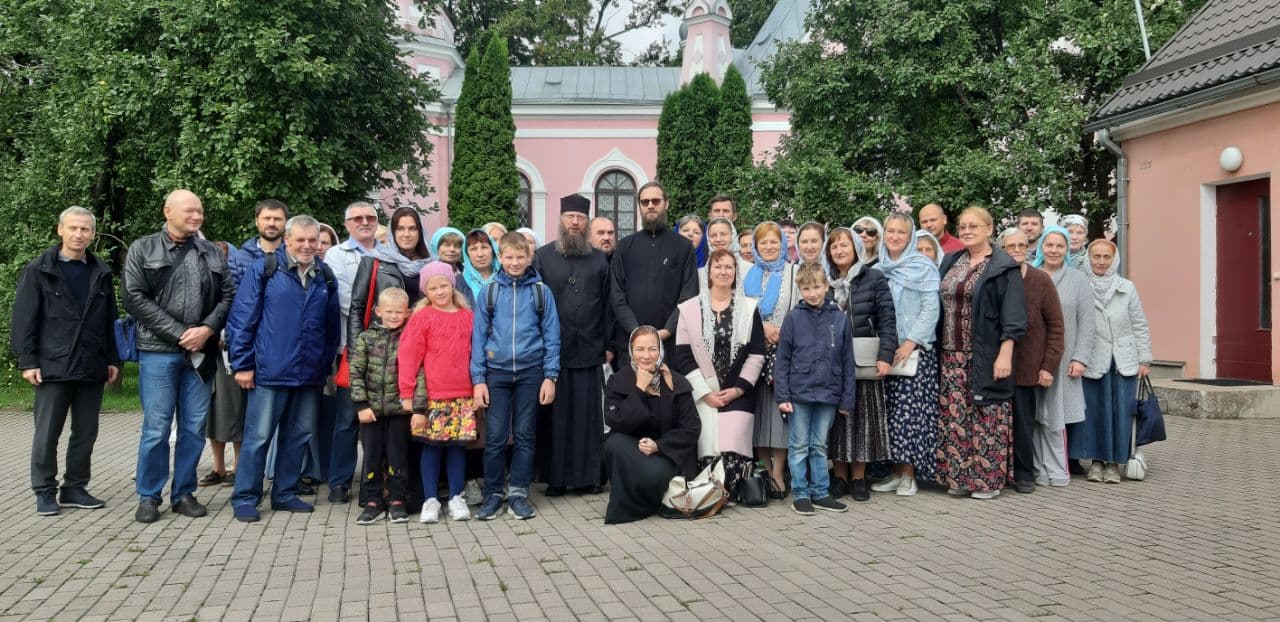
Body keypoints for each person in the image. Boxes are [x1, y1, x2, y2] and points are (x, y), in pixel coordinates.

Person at [124, 189, 235, 523]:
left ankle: (184, 493)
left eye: (200, 211)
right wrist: (178, 333)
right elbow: (133, 297)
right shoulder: (143, 248)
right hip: (158, 351)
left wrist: (206, 329)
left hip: (201, 353)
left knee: (193, 427)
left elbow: (229, 295)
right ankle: (148, 496)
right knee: (157, 428)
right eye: (190, 210)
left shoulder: (213, 252)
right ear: (168, 211)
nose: (197, 216)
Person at [227, 215, 341, 522]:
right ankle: (246, 497)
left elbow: (331, 329)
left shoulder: (324, 275)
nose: (306, 245)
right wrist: (242, 364)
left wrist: (323, 363)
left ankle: (285, 493)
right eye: (300, 240)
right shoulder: (264, 269)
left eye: (312, 240)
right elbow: (242, 318)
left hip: (309, 374)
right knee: (259, 437)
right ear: (287, 240)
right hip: (269, 371)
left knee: (299, 435)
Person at [12, 206, 120, 516]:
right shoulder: (39, 269)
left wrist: (112, 358)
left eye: (85, 230)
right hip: (52, 365)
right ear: (60, 230)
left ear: (93, 234)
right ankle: (44, 490)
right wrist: (28, 360)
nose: (78, 234)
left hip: (91, 364)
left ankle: (75, 487)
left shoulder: (100, 271)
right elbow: (24, 319)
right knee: (47, 432)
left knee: (86, 431)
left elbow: (107, 319)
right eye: (73, 228)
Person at [936, 206, 1027, 499]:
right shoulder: (952, 260)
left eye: (974, 226)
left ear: (990, 229)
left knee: (986, 415)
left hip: (985, 353)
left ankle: (987, 481)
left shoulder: (1003, 265)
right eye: (962, 226)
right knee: (956, 417)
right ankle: (960, 478)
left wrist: (1005, 352)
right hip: (951, 355)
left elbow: (1013, 315)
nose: (967, 231)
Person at [343, 207, 431, 507]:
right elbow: (357, 307)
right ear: (392, 233)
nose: (407, 234)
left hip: (418, 355)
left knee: (412, 429)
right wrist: (357, 352)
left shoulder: (429, 265)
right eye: (400, 228)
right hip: (381, 353)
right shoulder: (376, 261)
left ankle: (409, 493)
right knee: (382, 435)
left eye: (412, 228)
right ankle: (377, 494)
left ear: (420, 232)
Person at [471, 232, 560, 520]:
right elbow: (478, 339)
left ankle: (519, 492)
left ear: (529, 257)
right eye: (508, 257)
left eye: (520, 257)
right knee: (495, 436)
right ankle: (494, 493)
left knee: (524, 435)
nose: (514, 262)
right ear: (500, 258)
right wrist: (478, 380)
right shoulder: (489, 291)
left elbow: (552, 335)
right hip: (496, 373)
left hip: (530, 372)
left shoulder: (540, 292)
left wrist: (550, 376)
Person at [533, 194, 613, 496]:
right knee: (557, 418)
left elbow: (608, 304)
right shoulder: (542, 257)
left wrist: (608, 343)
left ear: (587, 221)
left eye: (580, 218)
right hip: (556, 351)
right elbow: (536, 304)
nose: (575, 222)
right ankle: (557, 479)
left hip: (591, 348)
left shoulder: (598, 259)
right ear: (562, 220)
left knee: (589, 418)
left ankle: (590, 478)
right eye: (570, 217)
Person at [672, 249, 766, 498]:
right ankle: (708, 492)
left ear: (736, 273)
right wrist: (705, 392)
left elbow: (757, 353)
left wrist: (737, 389)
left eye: (729, 267)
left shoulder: (748, 307)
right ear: (709, 272)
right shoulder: (690, 308)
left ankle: (732, 491)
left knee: (733, 439)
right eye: (718, 266)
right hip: (702, 390)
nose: (723, 271)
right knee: (707, 442)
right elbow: (682, 354)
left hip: (738, 390)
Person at [775, 263, 855, 515]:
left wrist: (847, 400)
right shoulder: (793, 318)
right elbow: (783, 360)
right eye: (806, 288)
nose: (812, 293)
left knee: (819, 445)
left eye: (817, 287)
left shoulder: (839, 319)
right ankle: (800, 493)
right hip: (799, 393)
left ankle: (821, 492)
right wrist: (783, 396)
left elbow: (848, 361)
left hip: (829, 393)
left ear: (826, 286)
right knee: (799, 445)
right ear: (800, 288)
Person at [1070, 239, 1151, 484]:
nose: (1101, 261)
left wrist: (1144, 358)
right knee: (1094, 412)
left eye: (1106, 257)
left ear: (1114, 259)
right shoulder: (1081, 286)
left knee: (1121, 412)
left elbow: (1139, 325)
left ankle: (1115, 463)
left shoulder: (1127, 287)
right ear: (1088, 258)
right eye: (1096, 256)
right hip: (1092, 358)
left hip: (1123, 360)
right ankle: (1096, 461)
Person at [400, 263, 476, 523]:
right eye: (433, 288)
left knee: (456, 447)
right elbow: (409, 357)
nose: (440, 291)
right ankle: (430, 499)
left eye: (443, 285)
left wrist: (478, 385)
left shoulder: (468, 317)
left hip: (463, 394)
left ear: (452, 285)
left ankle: (456, 497)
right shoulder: (422, 318)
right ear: (425, 291)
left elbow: (476, 355)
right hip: (432, 395)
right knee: (431, 447)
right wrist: (407, 394)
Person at [824, 227, 896, 501]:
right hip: (832, 362)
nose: (839, 251)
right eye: (834, 247)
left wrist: (885, 355)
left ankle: (859, 478)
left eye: (844, 245)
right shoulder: (825, 280)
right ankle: (839, 477)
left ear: (856, 247)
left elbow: (887, 319)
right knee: (837, 423)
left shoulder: (874, 277)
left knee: (864, 421)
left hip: (864, 359)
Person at [602, 327, 701, 524]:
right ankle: (633, 505)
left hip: (667, 454)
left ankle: (651, 498)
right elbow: (616, 421)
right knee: (613, 443)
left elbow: (691, 429)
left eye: (652, 349)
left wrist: (659, 445)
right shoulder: (618, 380)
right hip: (633, 451)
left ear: (660, 351)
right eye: (640, 349)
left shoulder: (676, 382)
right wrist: (639, 388)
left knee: (654, 475)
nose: (646, 356)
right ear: (631, 350)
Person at [872, 214, 940, 497]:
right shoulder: (878, 268)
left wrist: (911, 342)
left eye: (902, 232)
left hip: (913, 352)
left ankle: (910, 474)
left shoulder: (922, 266)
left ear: (911, 236)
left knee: (910, 415)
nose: (895, 236)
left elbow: (930, 308)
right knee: (889, 414)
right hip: (885, 351)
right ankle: (896, 471)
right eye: (890, 231)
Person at [347, 286, 424, 525]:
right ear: (378, 311)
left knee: (398, 456)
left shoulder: (410, 338)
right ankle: (372, 500)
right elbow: (356, 372)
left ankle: (397, 499)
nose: (393, 316)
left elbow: (420, 373)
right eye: (388, 311)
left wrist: (418, 408)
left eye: (398, 312)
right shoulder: (365, 338)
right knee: (371, 456)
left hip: (400, 411)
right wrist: (361, 405)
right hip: (371, 412)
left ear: (408, 313)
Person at [322, 201, 383, 504]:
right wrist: (384, 316)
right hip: (351, 348)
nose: (364, 222)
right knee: (347, 418)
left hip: (386, 351)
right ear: (346, 224)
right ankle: (340, 481)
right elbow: (345, 299)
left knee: (382, 416)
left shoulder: (386, 253)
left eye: (370, 217)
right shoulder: (335, 255)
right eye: (357, 218)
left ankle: (379, 478)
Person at [999, 228, 1064, 494]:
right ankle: (997, 471)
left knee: (1024, 424)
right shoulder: (994, 278)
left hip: (1028, 369)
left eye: (1021, 245)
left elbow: (1057, 327)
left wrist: (1048, 366)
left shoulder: (1041, 280)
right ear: (1001, 249)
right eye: (1010, 246)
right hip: (995, 368)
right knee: (997, 424)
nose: (1016, 250)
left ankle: (1024, 473)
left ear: (1029, 248)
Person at [1030, 226, 1095, 487]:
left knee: (1056, 417)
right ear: (1041, 247)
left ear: (1067, 249)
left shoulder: (1078, 279)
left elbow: (1088, 322)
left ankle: (1058, 470)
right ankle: (1038, 469)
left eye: (1059, 246)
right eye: (1049, 245)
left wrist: (1080, 358)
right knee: (1035, 415)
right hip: (1032, 358)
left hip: (1064, 359)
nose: (1054, 250)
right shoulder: (1031, 275)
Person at [610, 181, 698, 362]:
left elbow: (688, 294)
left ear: (666, 203)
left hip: (671, 343)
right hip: (631, 343)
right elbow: (617, 294)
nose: (650, 205)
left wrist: (668, 330)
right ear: (640, 206)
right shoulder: (625, 246)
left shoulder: (683, 247)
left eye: (656, 201)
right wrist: (636, 331)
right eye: (645, 202)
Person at [741, 222, 799, 497]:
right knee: (760, 411)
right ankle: (764, 467)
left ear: (783, 244)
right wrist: (762, 330)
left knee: (780, 411)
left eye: (774, 241)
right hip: (755, 349)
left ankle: (779, 471)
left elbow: (800, 309)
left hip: (784, 350)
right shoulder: (748, 274)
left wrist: (780, 331)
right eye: (762, 242)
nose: (768, 247)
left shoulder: (793, 271)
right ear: (755, 246)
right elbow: (742, 311)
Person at [201, 241, 245, 489]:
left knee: (236, 411)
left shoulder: (238, 285)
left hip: (233, 357)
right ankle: (217, 467)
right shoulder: (205, 283)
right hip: (209, 357)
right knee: (213, 413)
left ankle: (238, 466)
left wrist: (228, 338)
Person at [229, 199, 287, 285]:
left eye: (277, 219)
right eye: (266, 218)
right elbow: (232, 295)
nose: (272, 223)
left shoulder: (294, 257)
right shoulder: (237, 259)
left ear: (286, 222)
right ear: (256, 221)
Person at [428, 226, 470, 305]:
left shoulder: (468, 273)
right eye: (446, 245)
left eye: (457, 246)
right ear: (437, 248)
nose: (452, 249)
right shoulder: (428, 273)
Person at [461, 228, 500, 304]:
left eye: (484, 247)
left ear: (493, 250)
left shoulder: (506, 279)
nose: (480, 254)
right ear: (467, 255)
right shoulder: (459, 283)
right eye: (473, 249)